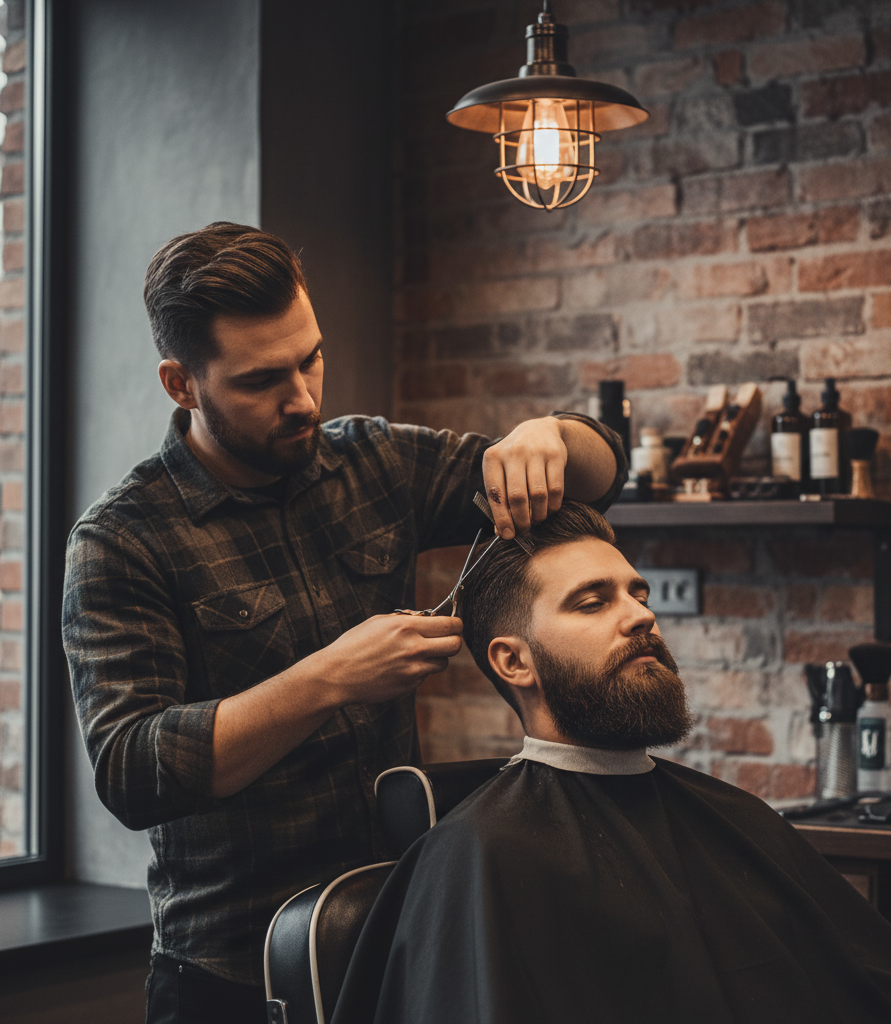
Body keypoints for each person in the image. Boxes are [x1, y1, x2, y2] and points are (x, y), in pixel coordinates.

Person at [61, 223, 626, 1023]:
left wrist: (550, 436)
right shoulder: (124, 540)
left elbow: (600, 477)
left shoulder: (377, 462)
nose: (303, 399)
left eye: (310, 359)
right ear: (181, 384)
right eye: (261, 380)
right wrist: (328, 680)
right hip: (232, 972)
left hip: (395, 932)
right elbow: (132, 770)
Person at [331, 503, 891, 1024]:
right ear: (513, 661)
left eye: (637, 593)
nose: (641, 614)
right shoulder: (478, 856)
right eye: (593, 602)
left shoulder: (733, 815)